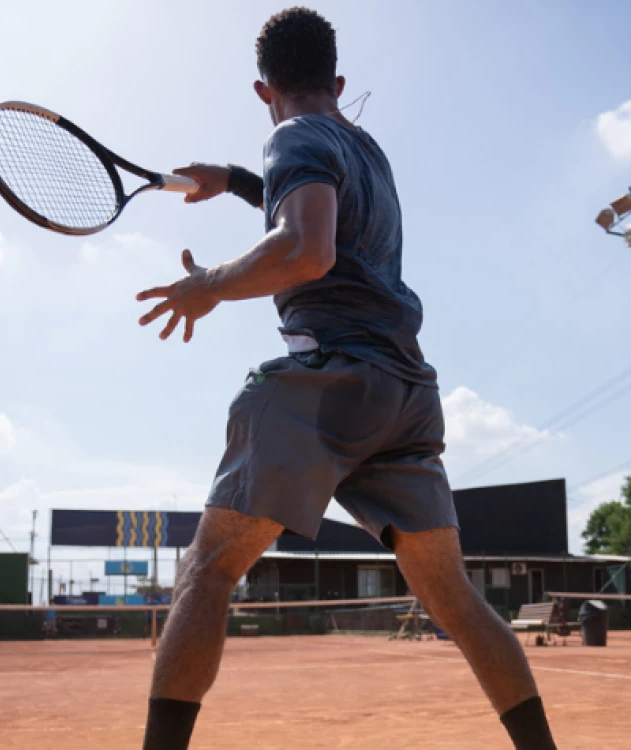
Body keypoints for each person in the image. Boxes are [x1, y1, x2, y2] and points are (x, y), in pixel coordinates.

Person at [137, 8, 557, 750]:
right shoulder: (366, 151)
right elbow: (317, 204)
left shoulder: (290, 136)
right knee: (455, 600)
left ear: (262, 90)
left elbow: (306, 249)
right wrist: (236, 179)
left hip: (335, 380)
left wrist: (208, 285)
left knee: (207, 572)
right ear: (337, 82)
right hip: (406, 392)